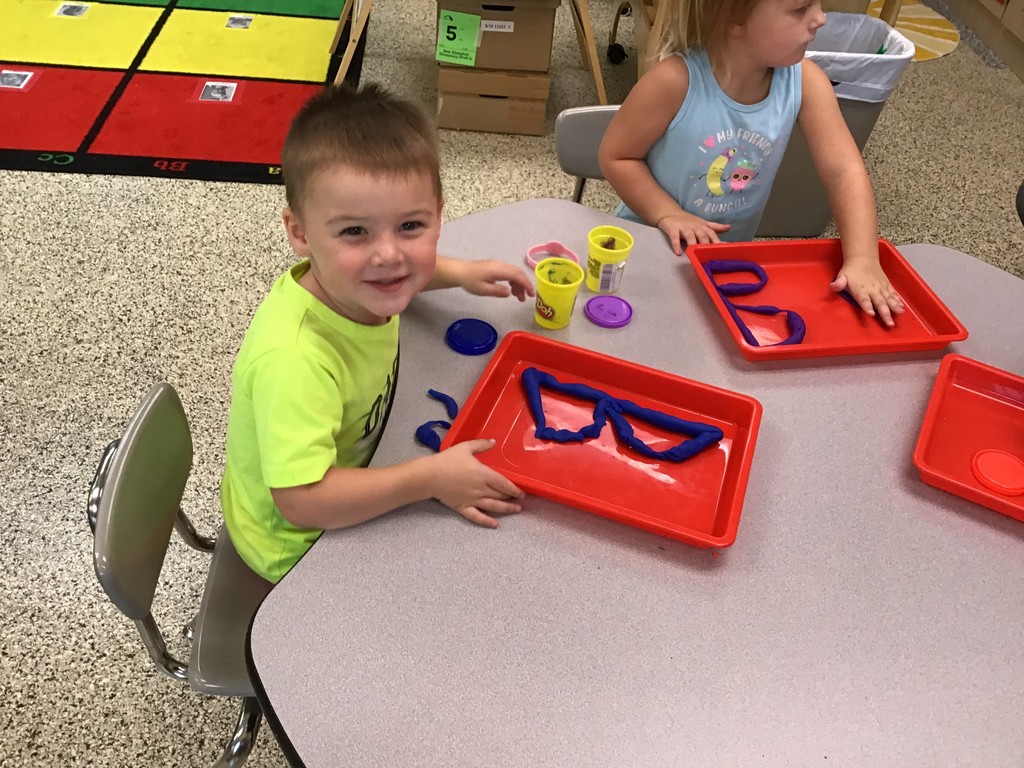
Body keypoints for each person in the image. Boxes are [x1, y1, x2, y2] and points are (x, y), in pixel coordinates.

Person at [221, 83, 533, 583]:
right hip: (298, 550)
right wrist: (431, 479)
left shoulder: (354, 284)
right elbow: (302, 501)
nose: (388, 255)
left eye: (410, 226)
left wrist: (460, 273)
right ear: (300, 232)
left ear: (438, 213)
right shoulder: (294, 361)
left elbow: (397, 270)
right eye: (354, 232)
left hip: (363, 468)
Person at [598, 0, 904, 327]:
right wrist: (668, 214)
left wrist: (863, 258)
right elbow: (617, 156)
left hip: (720, 265)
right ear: (734, 16)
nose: (820, 19)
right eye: (800, 9)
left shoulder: (805, 81)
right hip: (644, 251)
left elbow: (844, 171)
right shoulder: (673, 81)